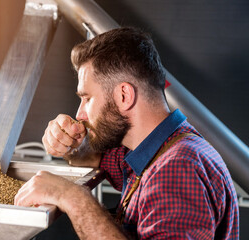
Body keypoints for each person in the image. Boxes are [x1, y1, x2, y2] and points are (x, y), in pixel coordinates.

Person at [14, 27, 239, 239]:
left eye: (87, 98)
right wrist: (72, 144)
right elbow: (95, 158)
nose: (80, 113)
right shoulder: (154, 150)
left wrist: (71, 197)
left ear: (124, 96)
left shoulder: (177, 168)